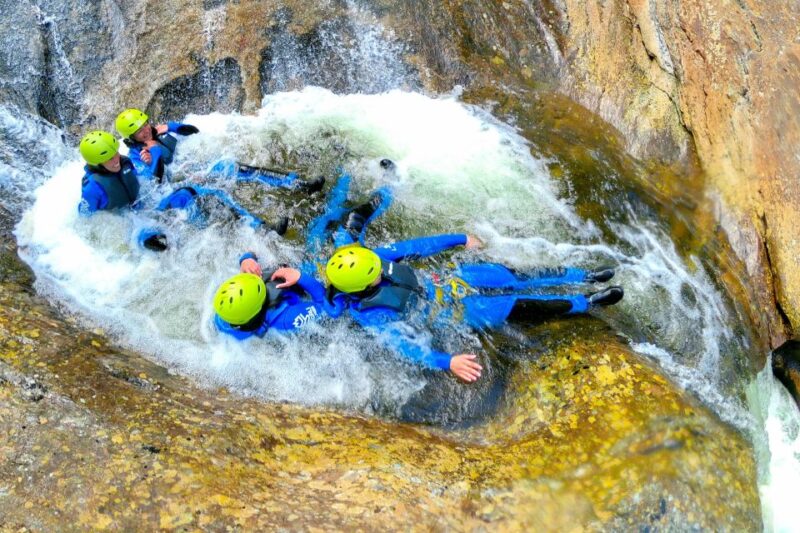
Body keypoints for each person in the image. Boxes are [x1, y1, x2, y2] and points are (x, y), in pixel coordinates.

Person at [322, 236, 624, 382]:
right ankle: (588, 301)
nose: (380, 269)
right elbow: (405, 347)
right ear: (363, 287)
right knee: (523, 305)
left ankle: (584, 276)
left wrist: (460, 239)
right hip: (456, 313)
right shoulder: (371, 315)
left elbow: (418, 246)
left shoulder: (372, 259)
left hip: (453, 281)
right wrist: (447, 361)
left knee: (514, 277)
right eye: (375, 273)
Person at [115, 108, 199, 180]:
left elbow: (196, 132)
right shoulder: (135, 158)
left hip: (190, 164)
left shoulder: (159, 131)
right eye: (140, 131)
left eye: (145, 124)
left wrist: (170, 126)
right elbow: (154, 183)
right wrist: (153, 157)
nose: (147, 131)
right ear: (131, 138)